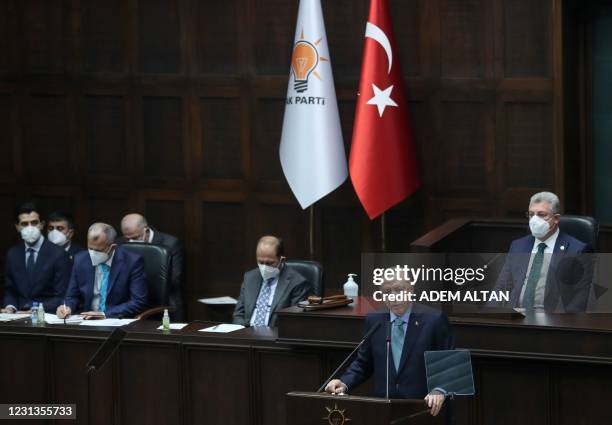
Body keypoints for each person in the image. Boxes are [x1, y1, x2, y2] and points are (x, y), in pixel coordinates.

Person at [325, 279, 454, 417]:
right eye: (387, 292)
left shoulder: (434, 319)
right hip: (384, 411)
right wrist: (344, 383)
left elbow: (451, 364)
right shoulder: (375, 319)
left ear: (411, 290)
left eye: (399, 289)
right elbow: (364, 363)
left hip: (424, 409)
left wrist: (439, 390)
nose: (393, 296)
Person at [491, 191, 592, 312]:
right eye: (531, 214)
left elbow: (581, 296)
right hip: (516, 318)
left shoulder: (577, 250)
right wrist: (490, 315)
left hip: (552, 321)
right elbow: (501, 286)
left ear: (556, 218)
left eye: (541, 214)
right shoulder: (518, 246)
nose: (534, 220)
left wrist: (562, 325)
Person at [57, 223, 147, 319]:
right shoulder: (81, 259)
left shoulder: (132, 262)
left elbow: (138, 302)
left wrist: (105, 314)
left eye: (98, 250)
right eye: (90, 248)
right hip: (86, 320)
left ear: (112, 247)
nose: (92, 254)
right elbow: (72, 296)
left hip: (117, 320)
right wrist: (67, 308)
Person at [2, 202, 71, 313]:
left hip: (45, 317)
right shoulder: (13, 254)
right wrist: (10, 307)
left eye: (34, 223)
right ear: (17, 227)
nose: (30, 228)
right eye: (24, 224)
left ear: (42, 224)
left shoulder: (58, 254)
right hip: (17, 317)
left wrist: (35, 309)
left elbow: (61, 296)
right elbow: (10, 290)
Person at [233, 235, 312, 327]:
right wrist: (243, 333)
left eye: (269, 263)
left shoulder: (297, 283)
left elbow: (294, 321)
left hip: (275, 336)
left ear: (282, 260)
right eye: (260, 262)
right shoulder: (249, 277)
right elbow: (238, 314)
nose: (264, 267)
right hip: (247, 334)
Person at [119, 213, 185, 320]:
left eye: (135, 237)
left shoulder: (170, 243)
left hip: (163, 300)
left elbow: (174, 278)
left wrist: (138, 286)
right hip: (131, 300)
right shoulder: (120, 243)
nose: (131, 242)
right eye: (128, 238)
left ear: (146, 230)